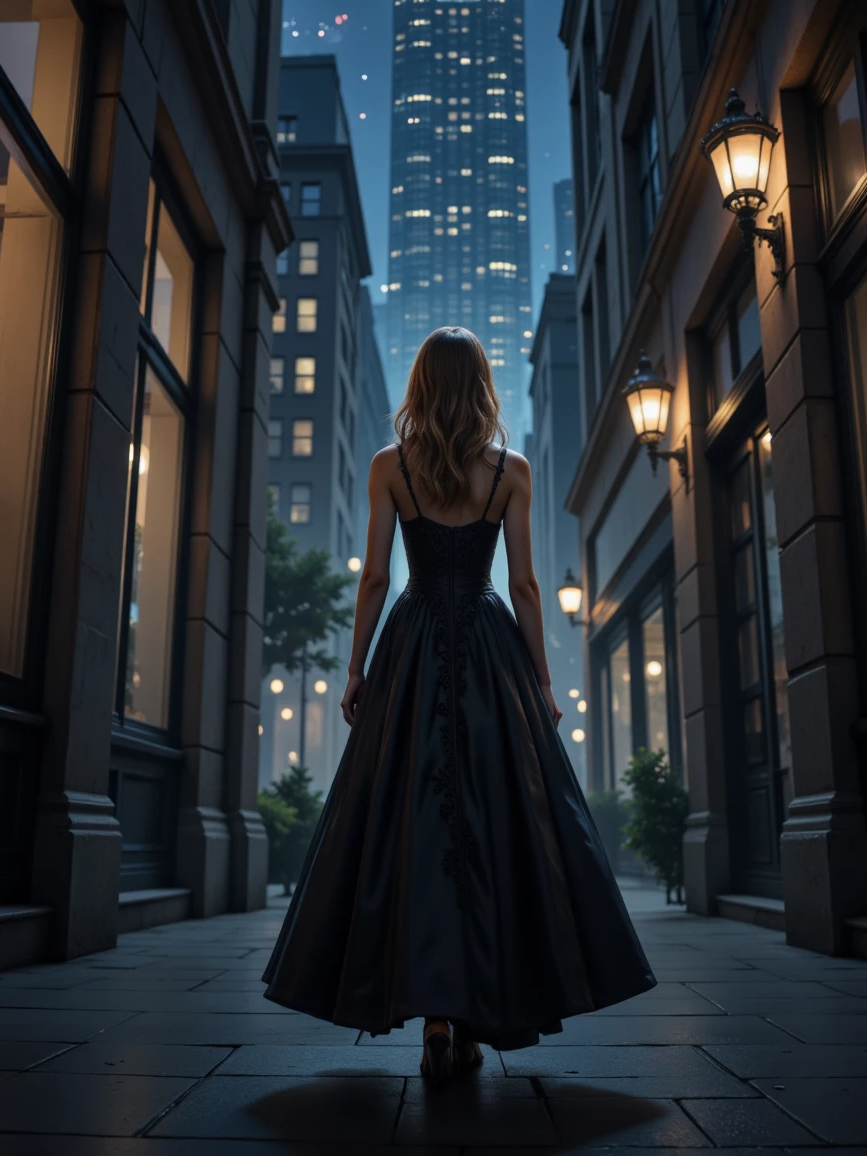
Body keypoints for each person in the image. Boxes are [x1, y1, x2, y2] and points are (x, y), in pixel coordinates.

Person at [261, 326, 655, 1078]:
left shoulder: (389, 467)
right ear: (480, 386)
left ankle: (435, 1017)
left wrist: (355, 668)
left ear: (420, 385)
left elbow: (374, 578)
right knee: (497, 816)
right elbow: (527, 586)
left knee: (405, 819)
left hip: (410, 644)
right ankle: (475, 1013)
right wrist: (539, 681)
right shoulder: (509, 470)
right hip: (487, 646)